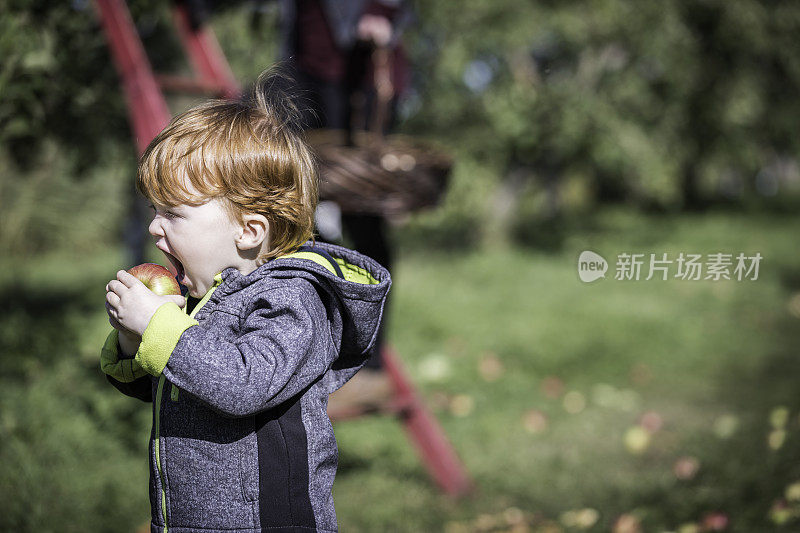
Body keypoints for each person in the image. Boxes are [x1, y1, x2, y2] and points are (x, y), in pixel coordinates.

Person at [100, 70, 391, 532]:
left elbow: (241, 382)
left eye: (173, 213)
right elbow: (175, 385)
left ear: (249, 231)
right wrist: (134, 341)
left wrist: (160, 330)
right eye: (155, 210)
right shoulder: (202, 295)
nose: (155, 227)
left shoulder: (294, 302)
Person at [277, 0, 412, 410]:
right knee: (294, 217)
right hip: (304, 69)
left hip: (359, 77)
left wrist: (382, 14)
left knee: (364, 222)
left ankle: (367, 367)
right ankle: (309, 358)